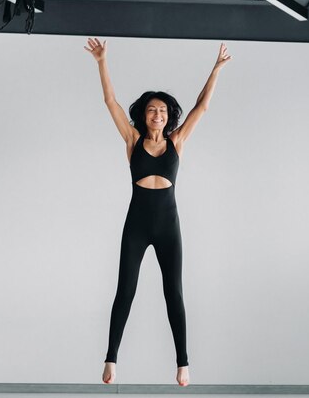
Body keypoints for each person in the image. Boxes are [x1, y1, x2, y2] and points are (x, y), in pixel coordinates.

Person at [84, 37, 231, 387]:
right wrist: (102, 62)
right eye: (152, 109)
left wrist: (216, 70)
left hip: (167, 225)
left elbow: (202, 107)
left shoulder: (177, 142)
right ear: (144, 115)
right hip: (137, 223)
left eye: (163, 110)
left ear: (169, 117)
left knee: (173, 292)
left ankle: (182, 363)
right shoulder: (132, 140)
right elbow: (110, 101)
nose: (157, 114)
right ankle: (111, 359)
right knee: (125, 290)